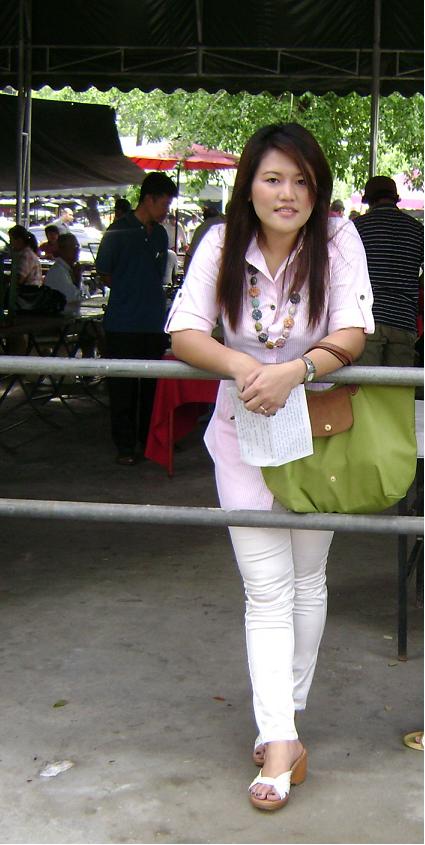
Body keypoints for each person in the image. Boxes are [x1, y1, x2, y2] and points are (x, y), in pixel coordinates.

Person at [166, 123, 374, 811]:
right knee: (265, 588)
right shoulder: (219, 243)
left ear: (318, 189)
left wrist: (296, 370)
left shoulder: (338, 239)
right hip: (242, 433)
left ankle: (286, 720)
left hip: (320, 434)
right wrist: (245, 366)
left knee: (308, 578)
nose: (287, 194)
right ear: (248, 186)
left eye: (301, 181)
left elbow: (352, 332)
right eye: (273, 178)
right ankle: (280, 737)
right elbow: (184, 331)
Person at [96, 171, 178, 466]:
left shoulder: (160, 235)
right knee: (123, 388)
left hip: (153, 323)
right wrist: (128, 289)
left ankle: (149, 441)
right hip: (123, 323)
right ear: (149, 199)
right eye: (164, 204)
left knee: (152, 388)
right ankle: (125, 446)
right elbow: (104, 272)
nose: (166, 210)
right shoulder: (118, 231)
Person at [353, 175, 424, 366]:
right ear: (395, 198)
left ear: (370, 200)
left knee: (364, 382)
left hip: (368, 319)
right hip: (404, 321)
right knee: (398, 383)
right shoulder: (417, 230)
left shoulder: (358, 227)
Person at [183, 202, 226, 274]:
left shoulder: (200, 228)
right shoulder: (222, 223)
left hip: (196, 264)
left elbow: (190, 254)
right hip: (212, 265)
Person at [43, 233, 82, 309]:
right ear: (62, 250)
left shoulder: (70, 269)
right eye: (73, 246)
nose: (77, 250)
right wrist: (78, 279)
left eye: (78, 246)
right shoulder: (58, 272)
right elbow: (74, 299)